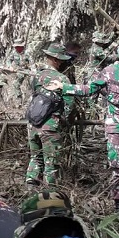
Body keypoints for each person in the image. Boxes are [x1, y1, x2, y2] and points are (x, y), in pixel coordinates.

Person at [51, 37, 119, 213]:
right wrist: (64, 87)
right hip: (116, 126)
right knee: (117, 166)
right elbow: (89, 89)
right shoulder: (110, 72)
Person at [26, 44, 75, 186]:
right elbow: (69, 104)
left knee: (36, 158)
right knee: (51, 162)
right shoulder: (62, 79)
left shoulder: (36, 76)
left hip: (33, 124)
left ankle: (30, 191)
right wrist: (65, 121)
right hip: (50, 126)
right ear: (57, 60)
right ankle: (50, 197)